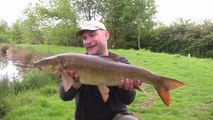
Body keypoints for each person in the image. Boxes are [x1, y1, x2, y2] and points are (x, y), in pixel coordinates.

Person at [59, 21, 142, 120]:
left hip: (115, 117)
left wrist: (124, 88)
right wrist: (75, 84)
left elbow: (128, 100)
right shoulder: (76, 62)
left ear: (106, 35)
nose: (88, 41)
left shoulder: (120, 62)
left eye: (92, 35)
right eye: (84, 38)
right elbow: (65, 97)